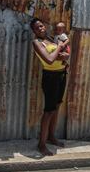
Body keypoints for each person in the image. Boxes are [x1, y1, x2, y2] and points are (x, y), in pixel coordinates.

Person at [30, 18, 69, 156]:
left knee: (57, 107)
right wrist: (59, 48)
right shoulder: (37, 43)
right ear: (34, 31)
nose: (40, 29)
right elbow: (49, 59)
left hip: (61, 75)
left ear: (45, 26)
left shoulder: (52, 38)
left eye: (41, 26)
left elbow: (62, 54)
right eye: (37, 28)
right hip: (50, 78)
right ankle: (41, 144)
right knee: (48, 111)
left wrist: (62, 55)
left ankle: (51, 137)